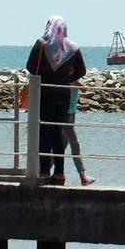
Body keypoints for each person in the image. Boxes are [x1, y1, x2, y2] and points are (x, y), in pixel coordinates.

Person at [26, 16, 86, 185]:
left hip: (44, 92)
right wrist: (67, 78)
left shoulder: (41, 43)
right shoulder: (73, 48)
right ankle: (59, 173)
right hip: (63, 94)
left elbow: (30, 66)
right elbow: (82, 70)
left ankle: (44, 171)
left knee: (44, 132)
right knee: (57, 134)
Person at [63, 81, 95, 185]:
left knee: (62, 144)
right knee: (74, 143)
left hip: (71, 112)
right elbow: (84, 88)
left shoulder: (70, 75)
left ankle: (42, 171)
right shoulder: (70, 76)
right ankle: (82, 176)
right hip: (65, 113)